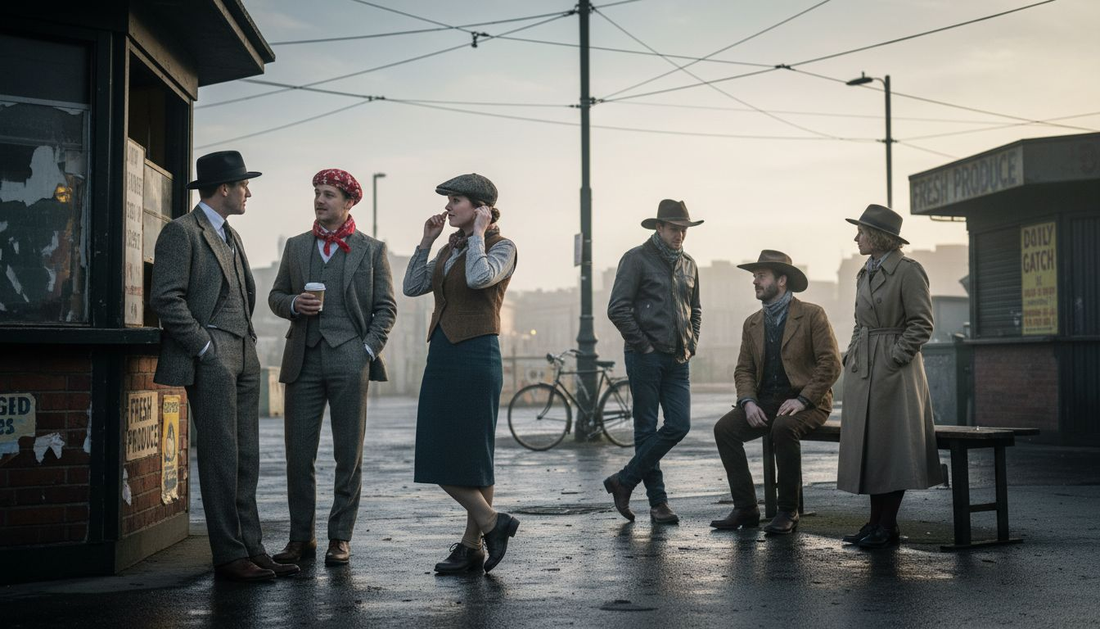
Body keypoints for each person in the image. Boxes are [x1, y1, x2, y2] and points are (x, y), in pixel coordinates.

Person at [150, 151, 297, 581]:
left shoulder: (232, 236)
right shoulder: (181, 232)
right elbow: (166, 299)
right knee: (220, 457)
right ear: (224, 188)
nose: (249, 192)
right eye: (244, 185)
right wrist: (203, 347)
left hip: (246, 354)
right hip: (213, 356)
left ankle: (252, 547)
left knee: (246, 458)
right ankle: (229, 556)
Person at [268, 169, 397, 566]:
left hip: (349, 358)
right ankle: (300, 538)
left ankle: (340, 537)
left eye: (328, 194)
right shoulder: (296, 246)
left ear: (348, 202)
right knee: (298, 454)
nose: (320, 200)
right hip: (302, 358)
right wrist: (293, 305)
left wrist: (365, 350)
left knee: (348, 455)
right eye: (317, 193)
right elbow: (275, 296)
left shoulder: (371, 250)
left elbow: (386, 309)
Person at [403, 173, 520, 574]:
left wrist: (479, 235)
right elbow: (412, 286)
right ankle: (488, 527)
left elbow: (479, 277)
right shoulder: (448, 249)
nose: (448, 207)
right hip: (443, 353)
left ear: (480, 208)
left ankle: (475, 542)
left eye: (456, 201)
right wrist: (426, 243)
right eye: (448, 200)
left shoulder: (502, 247)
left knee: (473, 455)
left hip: (477, 355)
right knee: (435, 448)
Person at [711, 250, 841, 534]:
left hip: (809, 402)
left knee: (782, 429)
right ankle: (745, 507)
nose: (755, 282)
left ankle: (787, 511)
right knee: (724, 430)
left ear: (782, 280)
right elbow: (743, 369)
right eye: (754, 276)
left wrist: (803, 398)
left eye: (761, 276)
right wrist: (747, 402)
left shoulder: (812, 315)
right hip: (765, 401)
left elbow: (831, 364)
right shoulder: (752, 322)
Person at [837, 204, 942, 549]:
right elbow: (860, 322)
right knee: (871, 448)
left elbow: (922, 323)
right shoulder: (864, 271)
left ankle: (887, 524)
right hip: (865, 368)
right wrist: (853, 354)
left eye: (862, 232)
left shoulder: (909, 271)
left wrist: (895, 358)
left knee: (892, 448)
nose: (856, 238)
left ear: (879, 238)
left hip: (894, 372)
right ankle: (875, 523)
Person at [604, 199, 703, 525]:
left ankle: (625, 480)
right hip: (644, 356)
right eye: (675, 229)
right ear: (659, 228)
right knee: (646, 428)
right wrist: (644, 346)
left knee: (679, 424)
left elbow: (695, 309)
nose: (680, 236)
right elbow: (617, 307)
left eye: (684, 230)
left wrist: (691, 343)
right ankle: (658, 504)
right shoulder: (636, 259)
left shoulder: (689, 264)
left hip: (678, 358)